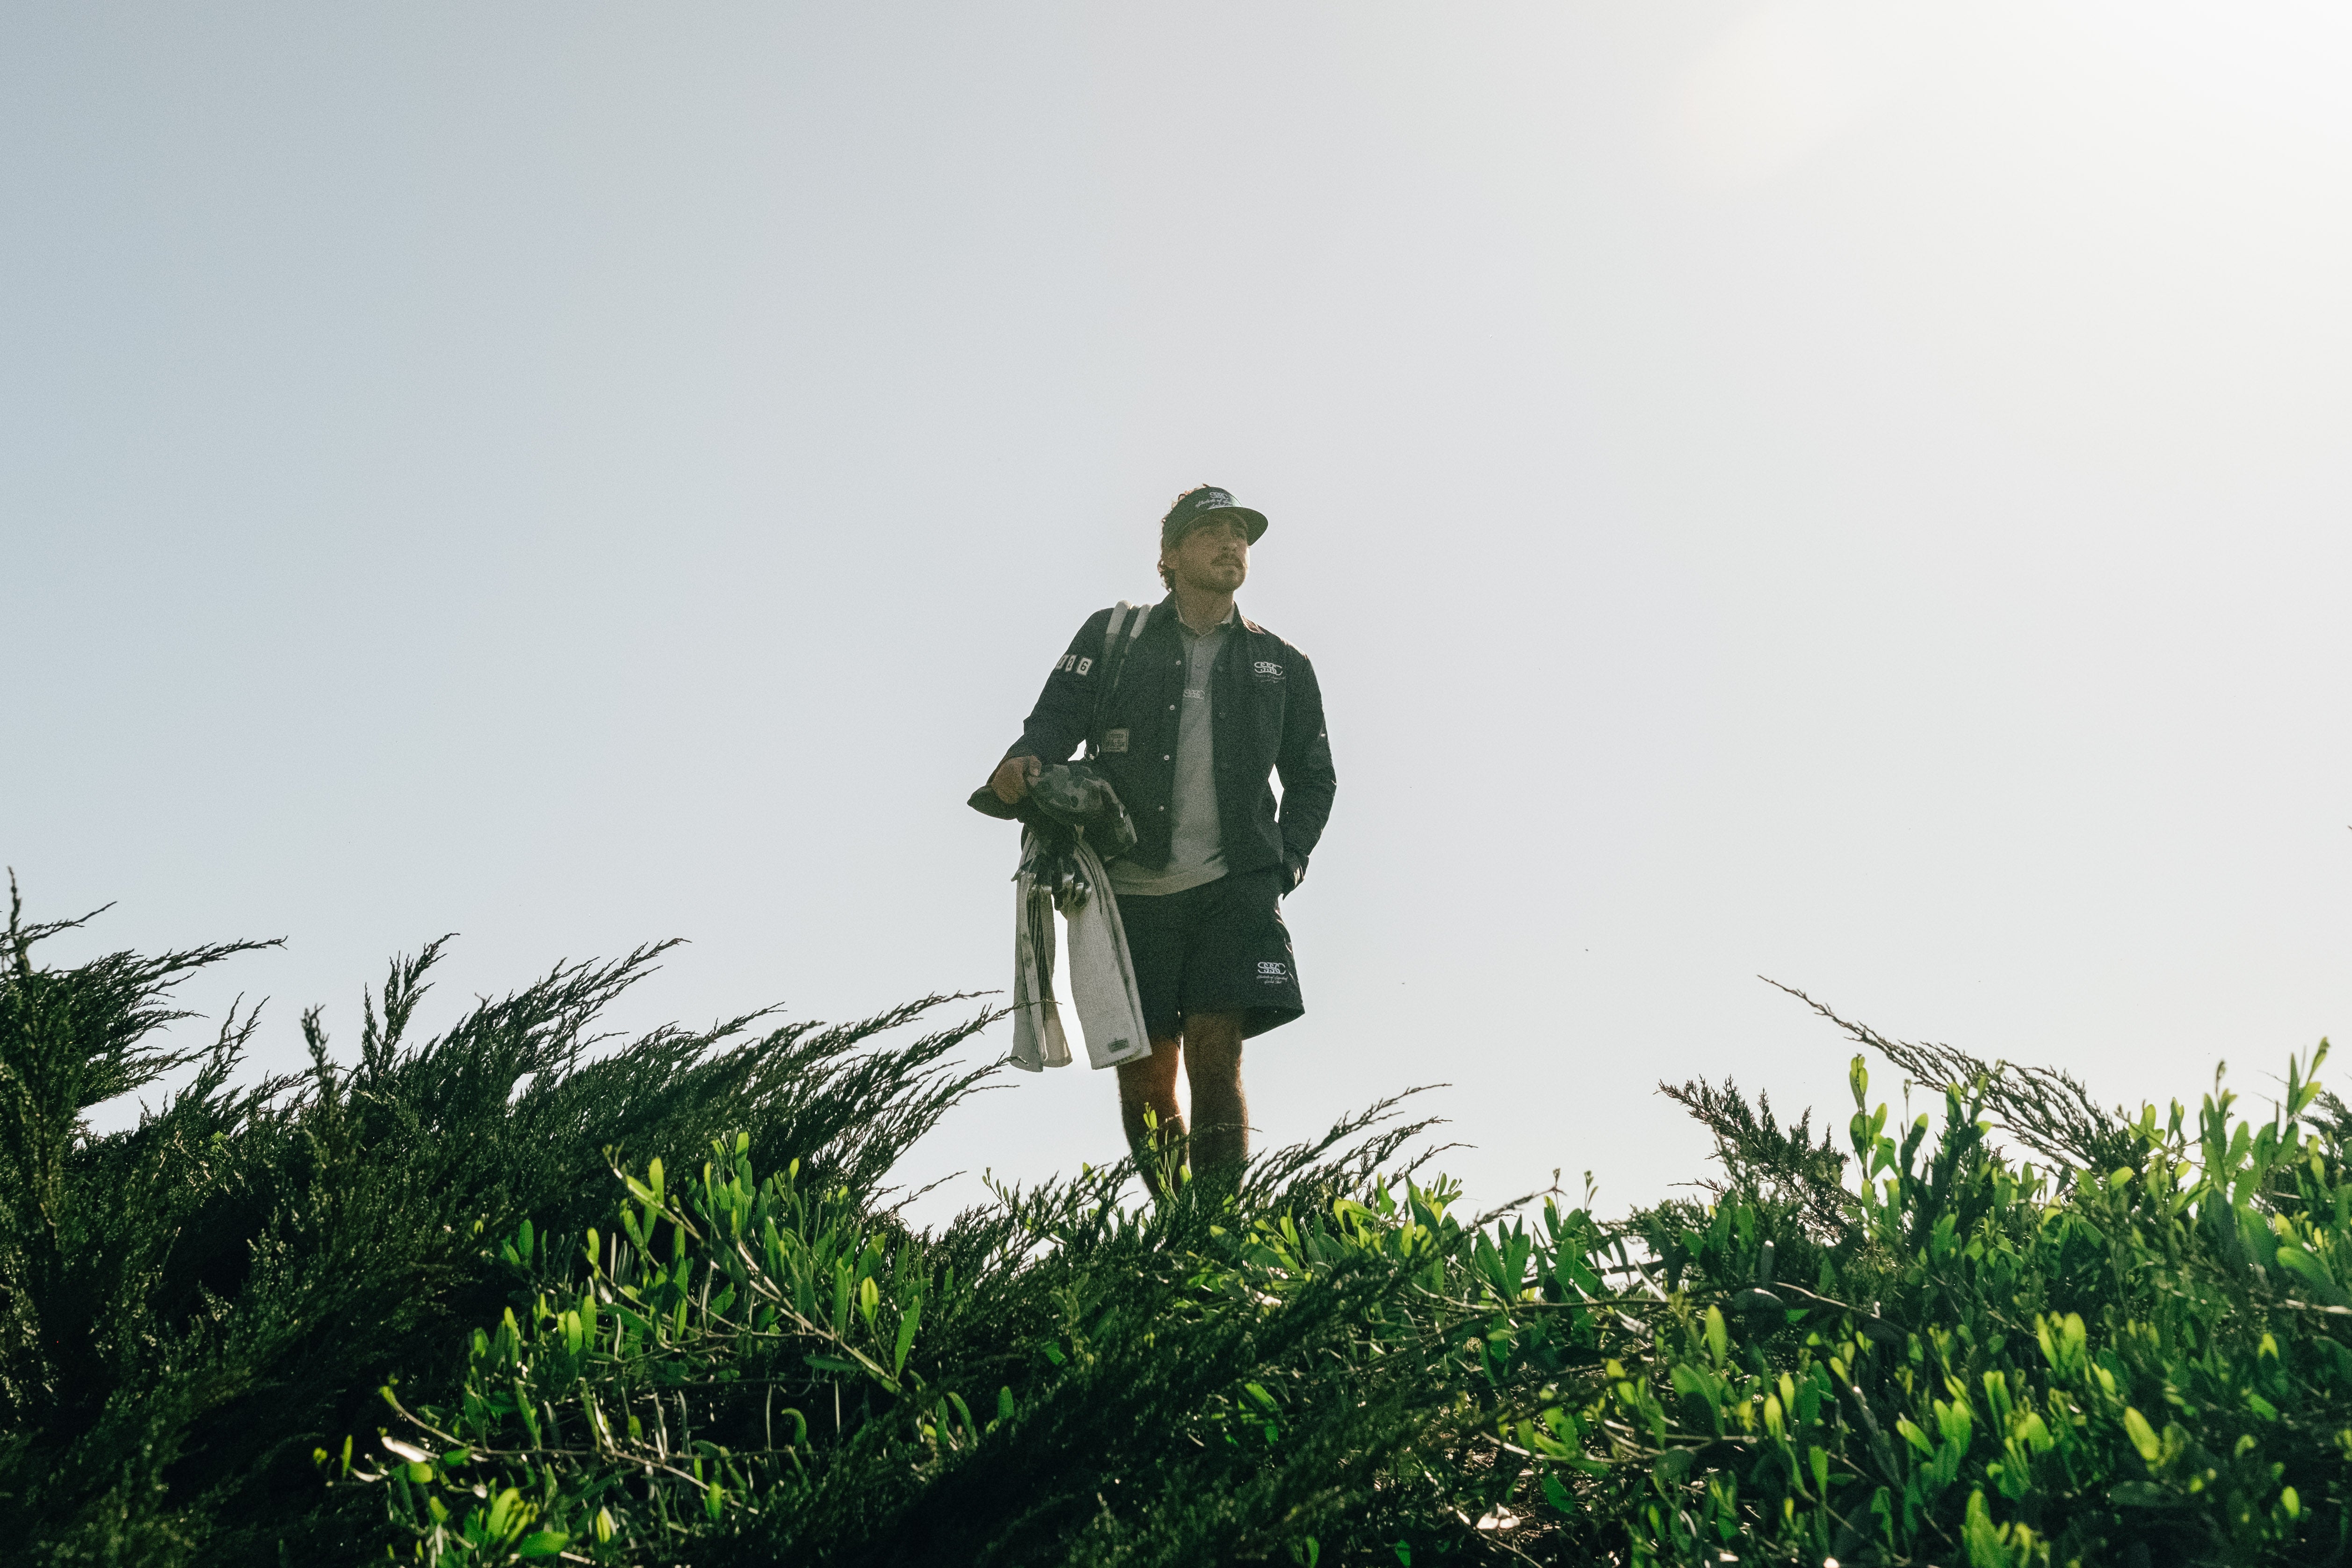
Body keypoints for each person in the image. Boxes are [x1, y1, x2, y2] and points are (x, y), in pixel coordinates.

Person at [988, 485, 1336, 1190]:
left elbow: (1314, 776)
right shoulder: (1114, 638)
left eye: (1240, 532)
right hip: (1127, 890)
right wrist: (1024, 761)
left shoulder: (1283, 665)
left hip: (1233, 886)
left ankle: (1218, 1232)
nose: (1231, 542)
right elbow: (1055, 717)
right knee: (1146, 1074)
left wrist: (1285, 863)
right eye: (1211, 530)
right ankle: (1176, 1225)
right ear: (1170, 555)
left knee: (1217, 1054)